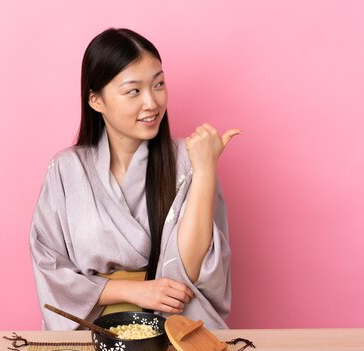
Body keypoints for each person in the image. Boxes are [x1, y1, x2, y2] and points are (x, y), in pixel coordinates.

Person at [29, 28, 240, 330]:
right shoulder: (67, 169)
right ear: (96, 101)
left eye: (158, 85)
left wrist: (205, 170)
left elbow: (191, 271)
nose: (152, 103)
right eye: (133, 91)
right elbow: (49, 265)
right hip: (93, 330)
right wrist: (132, 290)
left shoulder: (190, 158)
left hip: (172, 330)